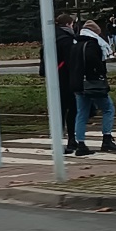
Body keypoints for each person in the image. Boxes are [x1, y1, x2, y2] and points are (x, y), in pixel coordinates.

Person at [69, 20, 116, 155]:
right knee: (108, 109)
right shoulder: (92, 45)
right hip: (93, 84)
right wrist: (101, 73)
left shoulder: (76, 44)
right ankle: (106, 139)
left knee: (81, 113)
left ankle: (80, 144)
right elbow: (94, 62)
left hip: (78, 84)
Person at [39, 13, 78, 152]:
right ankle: (71, 140)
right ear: (68, 24)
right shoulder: (66, 40)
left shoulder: (51, 37)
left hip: (54, 79)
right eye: (72, 24)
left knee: (59, 110)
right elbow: (71, 62)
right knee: (72, 109)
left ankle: (60, 141)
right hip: (65, 79)